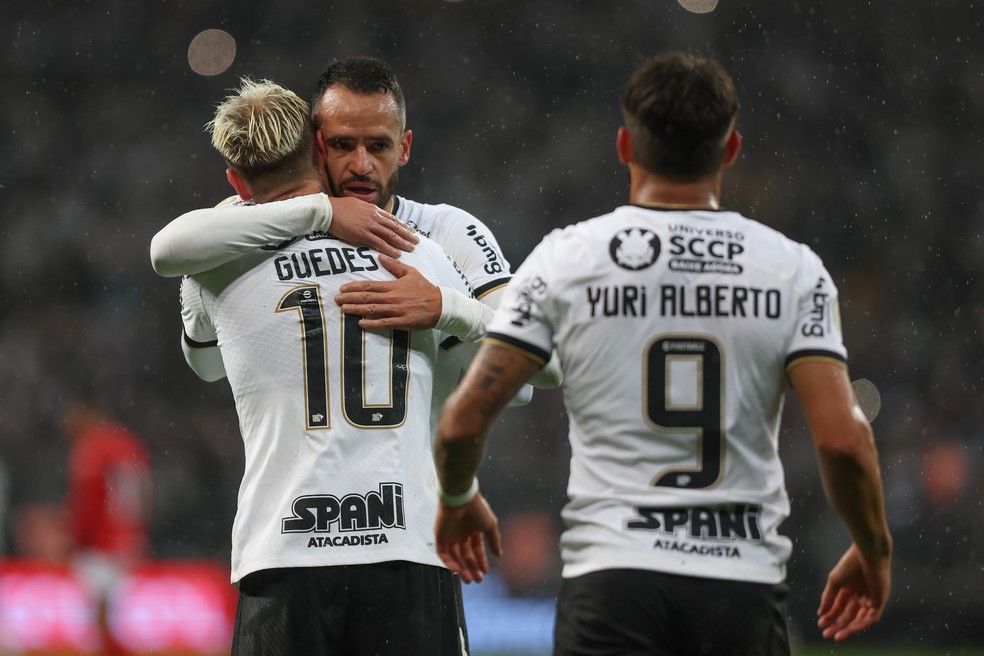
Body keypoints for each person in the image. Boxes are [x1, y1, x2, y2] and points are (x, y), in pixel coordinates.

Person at [431, 51, 893, 655]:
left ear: (624, 145)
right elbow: (841, 441)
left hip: (612, 582)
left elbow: (463, 421)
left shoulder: (567, 260)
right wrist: (873, 549)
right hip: (739, 582)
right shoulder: (791, 271)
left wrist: (459, 499)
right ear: (730, 150)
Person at [170, 77, 482, 655]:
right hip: (405, 549)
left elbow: (204, 364)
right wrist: (450, 312)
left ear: (236, 182)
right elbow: (520, 370)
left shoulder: (213, 263)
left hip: (284, 554)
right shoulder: (415, 250)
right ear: (320, 151)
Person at [150, 56, 561, 388]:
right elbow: (169, 257)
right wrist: (323, 211)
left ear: (404, 148)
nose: (361, 165)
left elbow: (536, 371)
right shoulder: (257, 227)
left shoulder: (447, 231)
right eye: (344, 145)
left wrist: (445, 309)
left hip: (418, 486)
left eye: (378, 145)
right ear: (316, 145)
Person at [62, 402, 152, 656]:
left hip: (99, 548)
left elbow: (85, 502)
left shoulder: (91, 449)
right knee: (120, 626)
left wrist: (75, 540)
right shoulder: (130, 445)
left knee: (96, 630)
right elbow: (145, 497)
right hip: (130, 542)